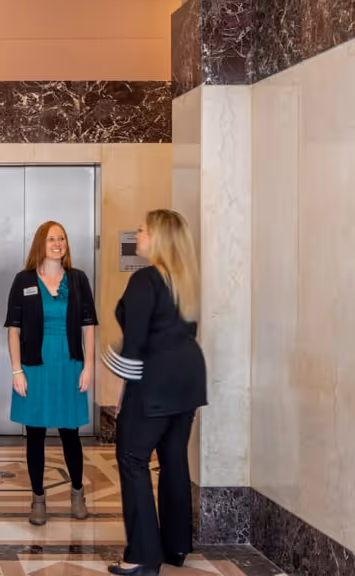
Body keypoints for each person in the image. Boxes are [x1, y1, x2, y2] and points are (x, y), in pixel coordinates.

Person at [103, 210, 207, 576]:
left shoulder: (145, 279)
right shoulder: (185, 280)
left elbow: (134, 345)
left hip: (155, 382)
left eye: (143, 230)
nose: (137, 234)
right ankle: (176, 546)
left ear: (159, 238)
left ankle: (143, 556)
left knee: (132, 461)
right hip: (190, 380)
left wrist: (116, 377)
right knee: (174, 459)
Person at [5, 221, 97, 525]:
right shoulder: (24, 280)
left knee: (70, 433)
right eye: (51, 238)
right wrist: (16, 370)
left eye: (62, 238)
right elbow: (14, 330)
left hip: (69, 365)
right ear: (39, 244)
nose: (58, 243)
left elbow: (89, 326)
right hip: (35, 366)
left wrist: (89, 366)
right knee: (36, 434)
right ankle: (38, 498)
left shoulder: (79, 279)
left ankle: (77, 492)